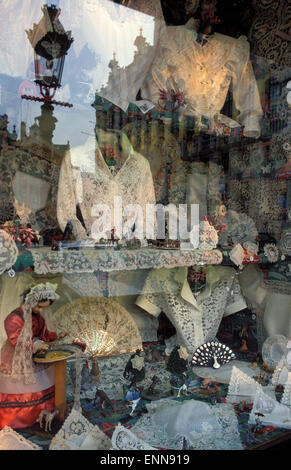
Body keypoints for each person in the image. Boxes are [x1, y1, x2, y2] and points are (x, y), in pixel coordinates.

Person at [0, 282, 66, 429]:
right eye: (39, 306)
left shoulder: (38, 317)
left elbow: (44, 334)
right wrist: (35, 345)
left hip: (33, 356)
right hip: (16, 356)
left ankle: (39, 415)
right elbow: (15, 339)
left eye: (43, 307)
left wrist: (56, 336)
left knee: (39, 385)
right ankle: (19, 419)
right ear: (29, 301)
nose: (41, 310)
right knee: (19, 386)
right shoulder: (14, 318)